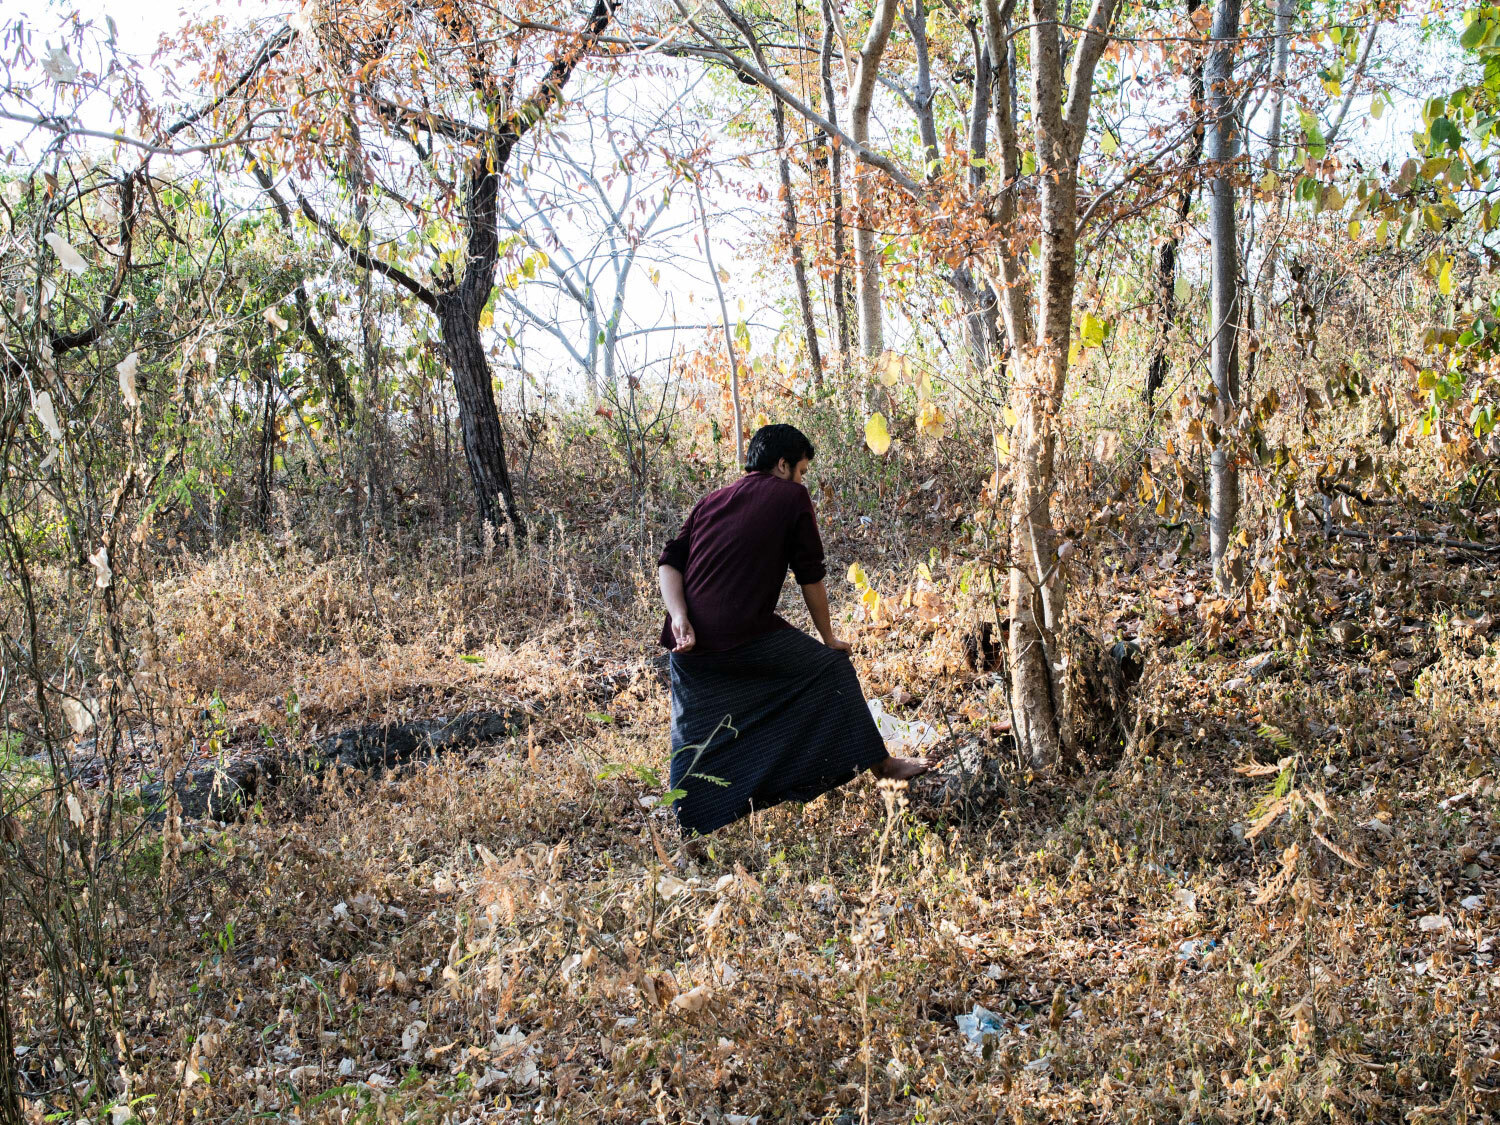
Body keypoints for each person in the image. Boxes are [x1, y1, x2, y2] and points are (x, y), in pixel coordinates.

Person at [657, 423, 930, 837]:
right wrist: (829, 639)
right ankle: (883, 765)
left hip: (688, 643)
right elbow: (810, 575)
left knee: (697, 732)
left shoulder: (709, 501)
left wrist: (678, 616)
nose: (802, 480)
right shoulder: (790, 495)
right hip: (743, 636)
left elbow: (668, 562)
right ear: (782, 465)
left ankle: (688, 826)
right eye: (801, 470)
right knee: (831, 670)